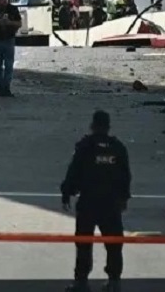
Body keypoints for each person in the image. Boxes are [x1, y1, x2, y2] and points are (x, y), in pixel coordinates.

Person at [61, 110, 132, 292]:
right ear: (108, 127)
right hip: (111, 203)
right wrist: (124, 198)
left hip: (89, 202)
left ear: (92, 126)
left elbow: (73, 172)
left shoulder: (85, 146)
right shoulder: (118, 148)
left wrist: (67, 193)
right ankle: (114, 281)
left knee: (84, 242)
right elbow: (125, 176)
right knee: (114, 243)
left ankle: (81, 281)